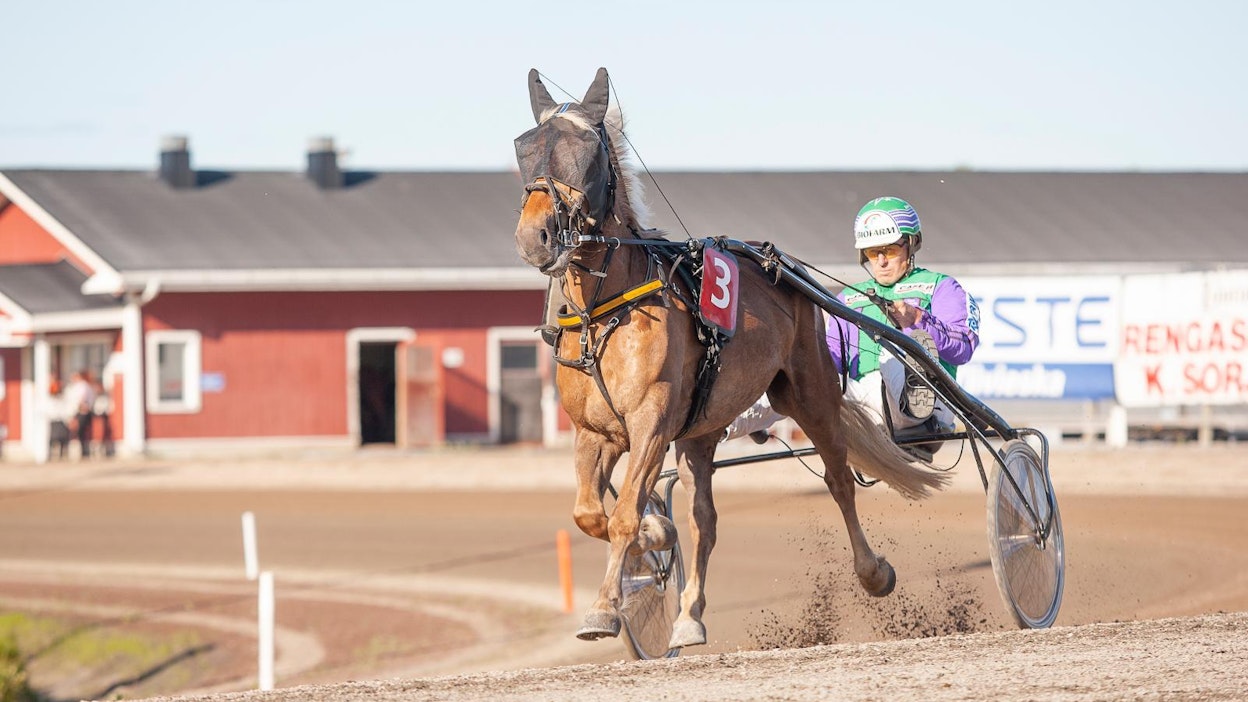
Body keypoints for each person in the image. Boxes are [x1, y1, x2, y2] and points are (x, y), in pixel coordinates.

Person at [725, 196, 980, 455]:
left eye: (889, 250)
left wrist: (917, 320)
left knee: (890, 357)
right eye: (872, 252)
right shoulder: (848, 299)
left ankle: (915, 389)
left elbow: (963, 348)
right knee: (800, 377)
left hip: (929, 410)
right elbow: (831, 361)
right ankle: (727, 421)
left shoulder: (943, 287)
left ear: (911, 244)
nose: (880, 261)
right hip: (862, 404)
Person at [63, 370, 96, 460]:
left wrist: (75, 414)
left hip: (81, 412)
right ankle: (79, 452)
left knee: (81, 432)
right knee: (78, 433)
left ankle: (83, 452)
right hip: (76, 412)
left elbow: (82, 400)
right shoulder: (75, 387)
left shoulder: (83, 386)